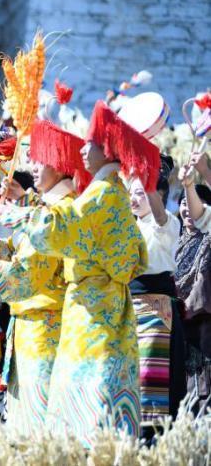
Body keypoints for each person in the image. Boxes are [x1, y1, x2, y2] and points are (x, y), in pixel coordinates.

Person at [0, 101, 154, 445]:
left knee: (87, 409)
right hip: (95, 307)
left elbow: (61, 229)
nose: (83, 149)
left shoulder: (102, 195)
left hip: (93, 312)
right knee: (89, 404)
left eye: (91, 144)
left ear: (107, 150)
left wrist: (17, 216)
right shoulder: (106, 192)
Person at [0, 118, 89, 432]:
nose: (33, 166)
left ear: (60, 166)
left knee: (40, 419)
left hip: (47, 323)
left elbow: (33, 268)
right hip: (33, 323)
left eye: (40, 160)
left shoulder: (59, 209)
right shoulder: (49, 205)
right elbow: (15, 249)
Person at [127, 156, 187, 440]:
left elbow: (160, 216)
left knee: (153, 380)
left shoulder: (167, 223)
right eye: (131, 194)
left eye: (140, 192)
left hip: (155, 308)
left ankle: (154, 441)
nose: (133, 199)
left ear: (158, 194)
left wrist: (145, 177)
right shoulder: (128, 228)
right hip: (129, 308)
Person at [175, 152, 211, 412]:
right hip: (177, 327)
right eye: (183, 203)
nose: (188, 208)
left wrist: (203, 173)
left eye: (194, 203)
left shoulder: (208, 238)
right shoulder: (173, 242)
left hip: (206, 327)